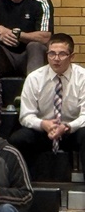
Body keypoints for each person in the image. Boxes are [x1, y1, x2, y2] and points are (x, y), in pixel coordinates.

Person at [9, 33, 85, 177]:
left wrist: (68, 127)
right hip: (44, 131)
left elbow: (84, 115)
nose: (56, 59)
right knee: (18, 139)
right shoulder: (34, 78)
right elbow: (26, 116)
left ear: (72, 56)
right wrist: (43, 124)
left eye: (62, 54)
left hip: (71, 131)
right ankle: (22, 184)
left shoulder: (82, 77)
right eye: (52, 54)